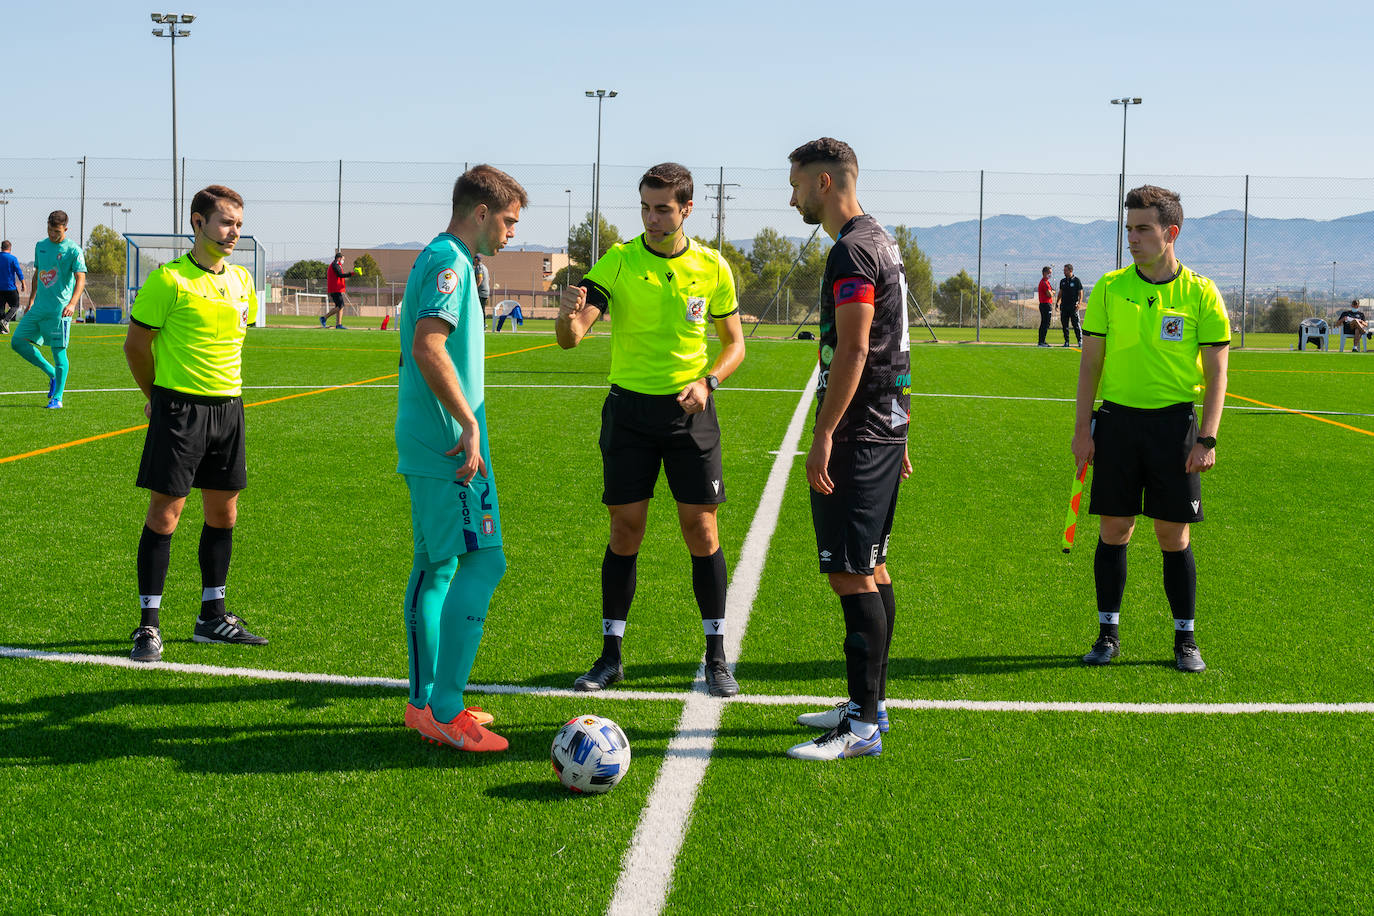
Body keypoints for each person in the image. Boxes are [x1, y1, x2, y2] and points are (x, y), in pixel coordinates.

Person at [556, 162, 746, 698]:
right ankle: (610, 657)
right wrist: (567, 317)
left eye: (663, 207)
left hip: (690, 413)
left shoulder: (712, 267)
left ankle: (715, 656)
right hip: (629, 415)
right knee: (625, 531)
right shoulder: (617, 261)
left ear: (687, 209)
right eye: (645, 206)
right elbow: (573, 337)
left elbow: (735, 345)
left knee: (701, 532)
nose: (652, 216)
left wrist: (708, 381)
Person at [783, 137, 912, 761]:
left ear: (826, 183)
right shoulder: (881, 239)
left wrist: (826, 433)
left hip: (860, 432)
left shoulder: (854, 250)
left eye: (798, 184)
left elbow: (859, 348)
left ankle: (860, 728)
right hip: (883, 427)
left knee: (850, 573)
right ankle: (870, 705)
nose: (792, 196)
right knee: (873, 567)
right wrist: (901, 432)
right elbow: (894, 345)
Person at [395, 164, 527, 753]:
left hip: (431, 439)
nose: (511, 233)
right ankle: (447, 709)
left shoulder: (442, 256)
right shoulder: (450, 263)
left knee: (436, 567)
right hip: (451, 445)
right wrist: (469, 421)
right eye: (508, 221)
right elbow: (429, 343)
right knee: (483, 562)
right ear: (480, 213)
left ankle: (426, 702)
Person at [1072, 185, 1229, 674]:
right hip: (1117, 422)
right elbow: (1090, 364)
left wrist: (1207, 437)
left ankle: (1185, 639)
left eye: (1143, 229)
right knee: (1115, 529)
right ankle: (1107, 634)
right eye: (1129, 229)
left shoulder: (1200, 292)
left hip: (1174, 427)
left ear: (1171, 233)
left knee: (1172, 535)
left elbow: (1219, 371)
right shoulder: (1110, 288)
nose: (1133, 238)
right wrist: (1082, 429)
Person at [123, 185, 267, 664]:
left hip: (229, 408)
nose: (234, 233)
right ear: (197, 222)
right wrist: (157, 399)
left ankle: (212, 616)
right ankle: (148, 626)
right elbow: (136, 347)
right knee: (166, 514)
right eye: (226, 222)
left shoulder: (242, 280)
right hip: (181, 410)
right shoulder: (169, 281)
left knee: (223, 514)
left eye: (239, 225)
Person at [11, 211, 85, 408]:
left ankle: (57, 398)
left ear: (65, 229)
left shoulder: (73, 250)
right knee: (17, 342)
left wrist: (72, 304)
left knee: (59, 353)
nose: (52, 235)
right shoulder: (41, 246)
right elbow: (37, 274)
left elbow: (81, 278)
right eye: (50, 230)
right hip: (38, 308)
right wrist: (31, 300)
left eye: (57, 231)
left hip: (59, 311)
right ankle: (52, 373)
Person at [321, 251, 354, 329]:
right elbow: (340, 275)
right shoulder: (335, 265)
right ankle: (324, 318)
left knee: (340, 306)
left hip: (337, 288)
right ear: (339, 258)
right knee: (340, 305)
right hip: (335, 288)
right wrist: (351, 274)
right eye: (343, 259)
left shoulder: (336, 265)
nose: (343, 261)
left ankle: (338, 324)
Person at [1056, 263, 1084, 348]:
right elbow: (1060, 292)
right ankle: (1066, 342)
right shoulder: (1063, 281)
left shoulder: (1076, 280)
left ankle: (1080, 341)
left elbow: (1080, 293)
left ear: (1070, 270)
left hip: (1073, 306)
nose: (1064, 272)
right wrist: (1057, 302)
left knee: (1076, 324)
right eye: (1064, 270)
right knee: (1065, 325)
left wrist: (1079, 303)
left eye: (1065, 270)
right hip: (1064, 306)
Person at [0, 240, 24, 334]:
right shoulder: (12, 258)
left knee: (1, 307)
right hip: (10, 288)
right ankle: (5, 321)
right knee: (15, 305)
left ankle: (2, 329)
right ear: (10, 248)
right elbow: (18, 271)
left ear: (1, 248)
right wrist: (23, 283)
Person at [1036, 265, 1054, 347]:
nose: (1050, 274)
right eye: (1049, 273)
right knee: (1045, 323)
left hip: (1046, 304)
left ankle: (1042, 341)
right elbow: (1049, 294)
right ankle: (1041, 342)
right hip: (1045, 305)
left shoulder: (1047, 282)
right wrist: (1052, 292)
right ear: (1044, 273)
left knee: (1045, 323)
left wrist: (1052, 291)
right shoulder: (1043, 282)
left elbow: (1051, 291)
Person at [474, 254, 491, 319]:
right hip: (486, 291)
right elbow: (488, 279)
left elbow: (480, 279)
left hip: (481, 292)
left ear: (476, 259)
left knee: (480, 309)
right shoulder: (485, 267)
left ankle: (482, 324)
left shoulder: (479, 267)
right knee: (482, 308)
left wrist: (475, 288)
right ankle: (483, 324)